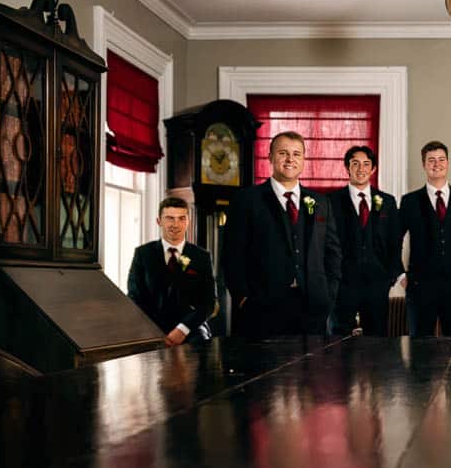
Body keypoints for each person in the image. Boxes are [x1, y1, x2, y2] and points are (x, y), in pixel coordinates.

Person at [222, 131, 341, 338]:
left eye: (296, 154)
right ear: (270, 157)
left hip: (313, 309)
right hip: (262, 309)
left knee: (311, 370)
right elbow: (232, 255)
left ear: (303, 159)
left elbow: (332, 253)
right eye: (283, 153)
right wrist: (243, 298)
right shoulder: (246, 200)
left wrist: (328, 296)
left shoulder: (321, 202)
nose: (290, 159)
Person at [399, 140, 451, 336]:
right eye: (431, 160)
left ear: (448, 163)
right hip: (420, 288)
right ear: (424, 165)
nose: (437, 164)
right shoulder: (410, 201)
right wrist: (401, 275)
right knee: (419, 350)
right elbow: (392, 241)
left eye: (441, 159)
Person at [328, 145, 402, 336]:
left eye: (366, 164)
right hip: (343, 283)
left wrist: (391, 275)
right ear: (347, 167)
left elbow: (395, 241)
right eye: (355, 164)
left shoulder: (388, 201)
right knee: (338, 339)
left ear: (373, 169)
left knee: (377, 340)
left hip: (378, 282)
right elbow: (326, 242)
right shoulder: (331, 201)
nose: (361, 169)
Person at [127, 197, 217, 345]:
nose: (176, 224)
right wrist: (153, 331)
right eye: (170, 218)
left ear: (188, 222)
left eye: (181, 218)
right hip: (152, 330)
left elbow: (208, 303)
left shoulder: (201, 257)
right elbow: (134, 297)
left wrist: (182, 330)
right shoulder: (143, 254)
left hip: (191, 330)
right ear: (159, 221)